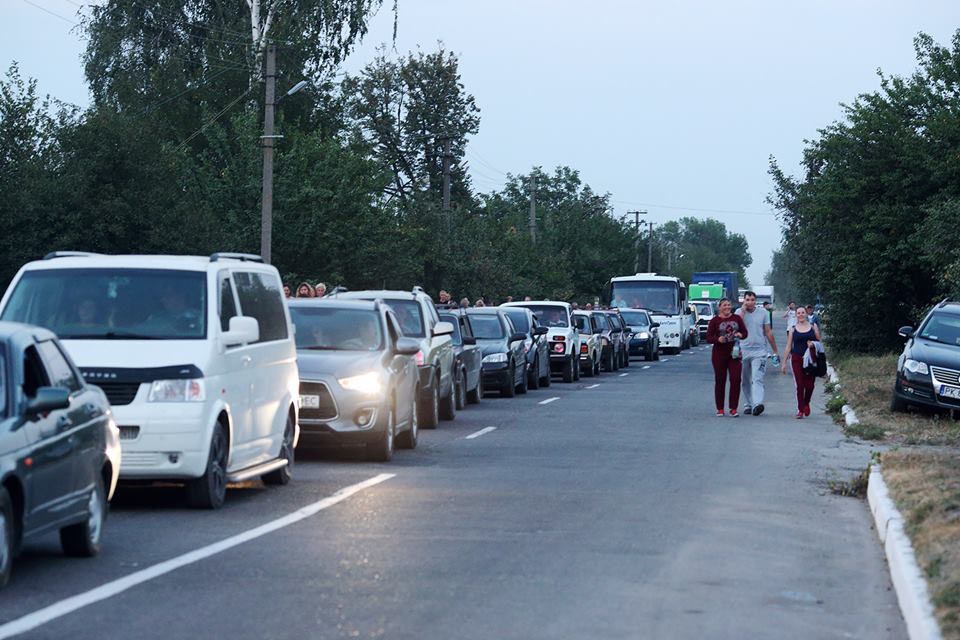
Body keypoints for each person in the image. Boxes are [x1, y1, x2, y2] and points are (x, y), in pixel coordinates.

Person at [736, 291, 779, 416]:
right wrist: (743, 310)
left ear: (756, 301)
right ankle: (748, 404)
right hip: (743, 350)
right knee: (745, 380)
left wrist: (775, 350)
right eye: (747, 299)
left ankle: (757, 404)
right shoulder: (739, 313)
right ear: (743, 300)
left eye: (752, 300)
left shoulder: (763, 313)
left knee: (757, 378)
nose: (750, 302)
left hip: (759, 351)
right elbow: (737, 325)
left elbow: (768, 332)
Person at [706, 298, 748, 417]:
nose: (727, 307)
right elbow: (708, 337)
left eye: (729, 305)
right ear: (719, 307)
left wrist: (740, 334)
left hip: (734, 353)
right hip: (719, 354)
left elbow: (745, 333)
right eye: (724, 305)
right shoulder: (715, 321)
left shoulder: (737, 318)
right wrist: (717, 339)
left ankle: (733, 408)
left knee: (735, 380)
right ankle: (720, 408)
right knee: (720, 380)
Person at [781, 306, 822, 418]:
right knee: (799, 385)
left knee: (810, 386)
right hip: (797, 359)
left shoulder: (813, 326)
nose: (801, 315)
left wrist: (813, 344)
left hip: (810, 360)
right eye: (798, 313)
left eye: (803, 312)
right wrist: (784, 363)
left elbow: (819, 341)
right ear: (796, 315)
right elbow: (789, 346)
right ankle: (800, 409)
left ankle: (806, 403)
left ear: (806, 313)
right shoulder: (793, 329)